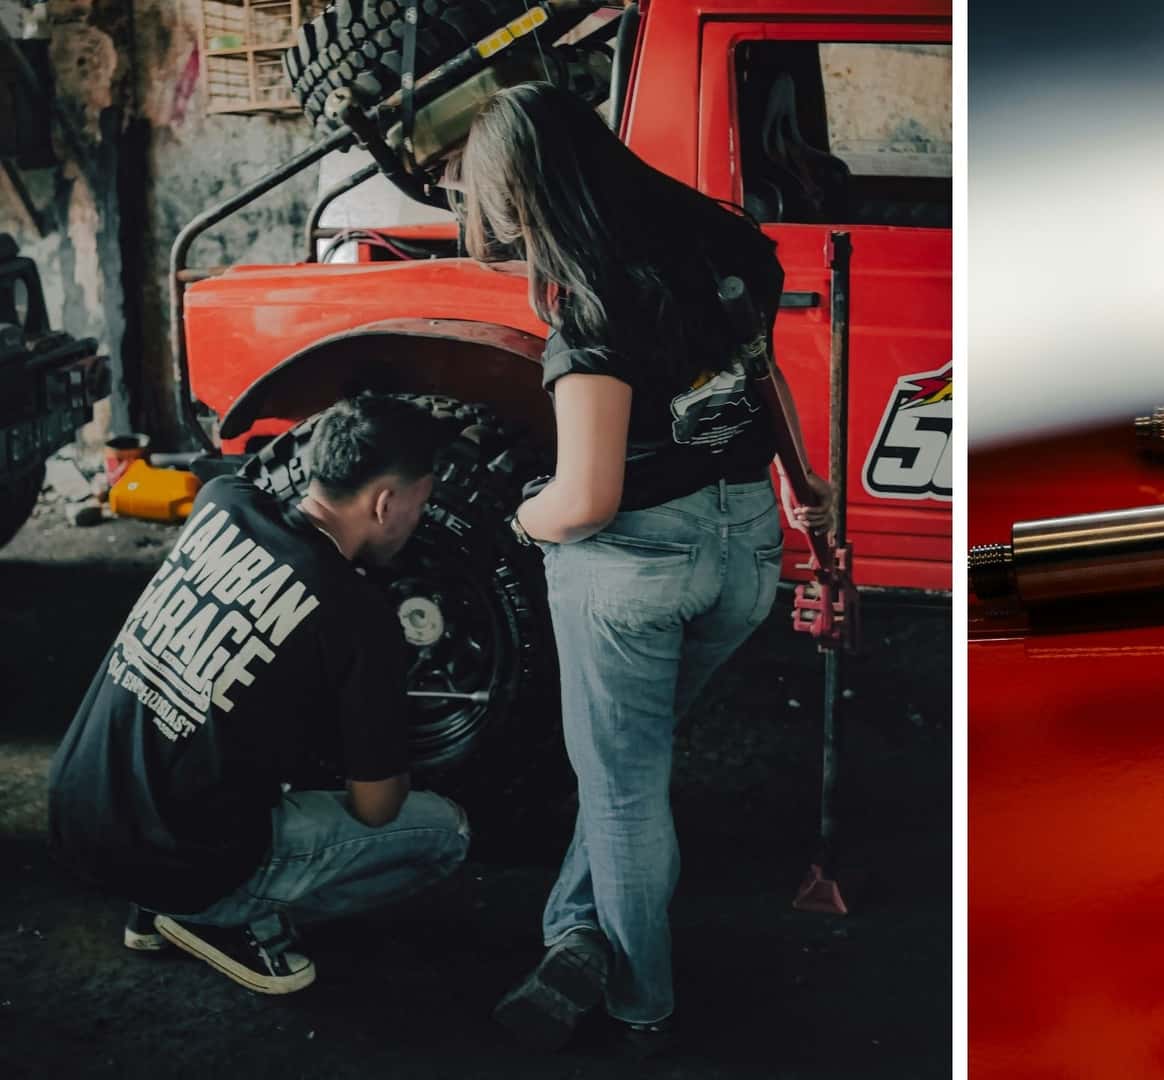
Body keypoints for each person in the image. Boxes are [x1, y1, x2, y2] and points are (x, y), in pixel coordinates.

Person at [452, 81, 830, 1054]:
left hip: (634, 572)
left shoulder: (590, 313)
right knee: (635, 765)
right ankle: (579, 934)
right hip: (746, 552)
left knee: (622, 787)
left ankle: (640, 1007)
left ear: (526, 193)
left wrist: (517, 519)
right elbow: (765, 376)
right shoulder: (727, 242)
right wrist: (804, 485)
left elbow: (586, 500)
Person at [46, 394, 470, 995]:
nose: (417, 521)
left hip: (79, 811)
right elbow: (378, 810)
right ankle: (221, 915)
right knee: (443, 833)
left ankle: (154, 902)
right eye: (420, 504)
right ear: (385, 502)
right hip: (184, 858)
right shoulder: (357, 615)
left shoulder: (223, 503)